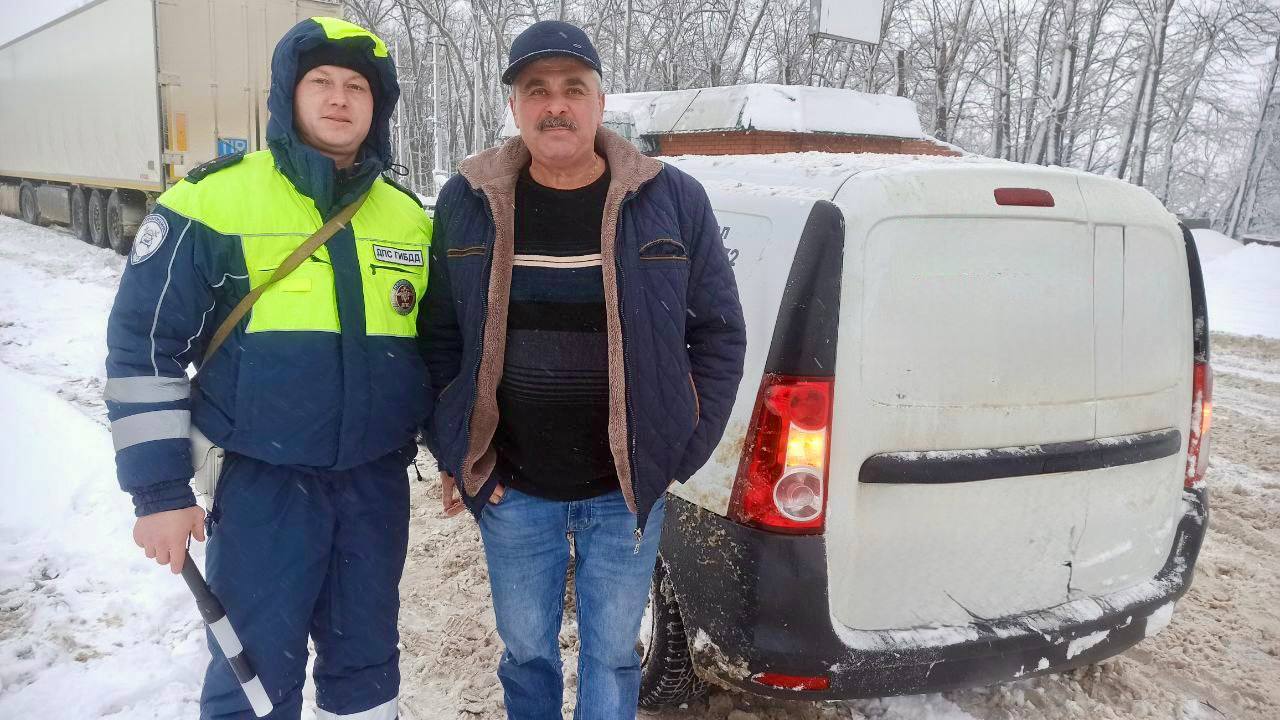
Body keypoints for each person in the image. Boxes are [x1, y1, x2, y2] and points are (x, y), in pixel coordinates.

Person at [104, 17, 431, 720]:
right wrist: (158, 492)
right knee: (253, 676)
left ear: (377, 106)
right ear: (288, 94)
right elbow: (144, 348)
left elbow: (435, 350)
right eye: (322, 82)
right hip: (262, 489)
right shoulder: (211, 201)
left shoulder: (407, 217)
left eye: (357, 86)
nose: (339, 98)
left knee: (369, 667)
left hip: (373, 488)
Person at [419, 20, 747, 720]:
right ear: (514, 106)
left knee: (614, 656)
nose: (556, 105)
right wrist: (458, 451)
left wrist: (678, 449)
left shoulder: (672, 199)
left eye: (573, 87)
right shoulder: (468, 201)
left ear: (600, 102)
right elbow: (440, 338)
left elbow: (718, 334)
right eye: (537, 90)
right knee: (526, 651)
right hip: (513, 491)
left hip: (624, 493)